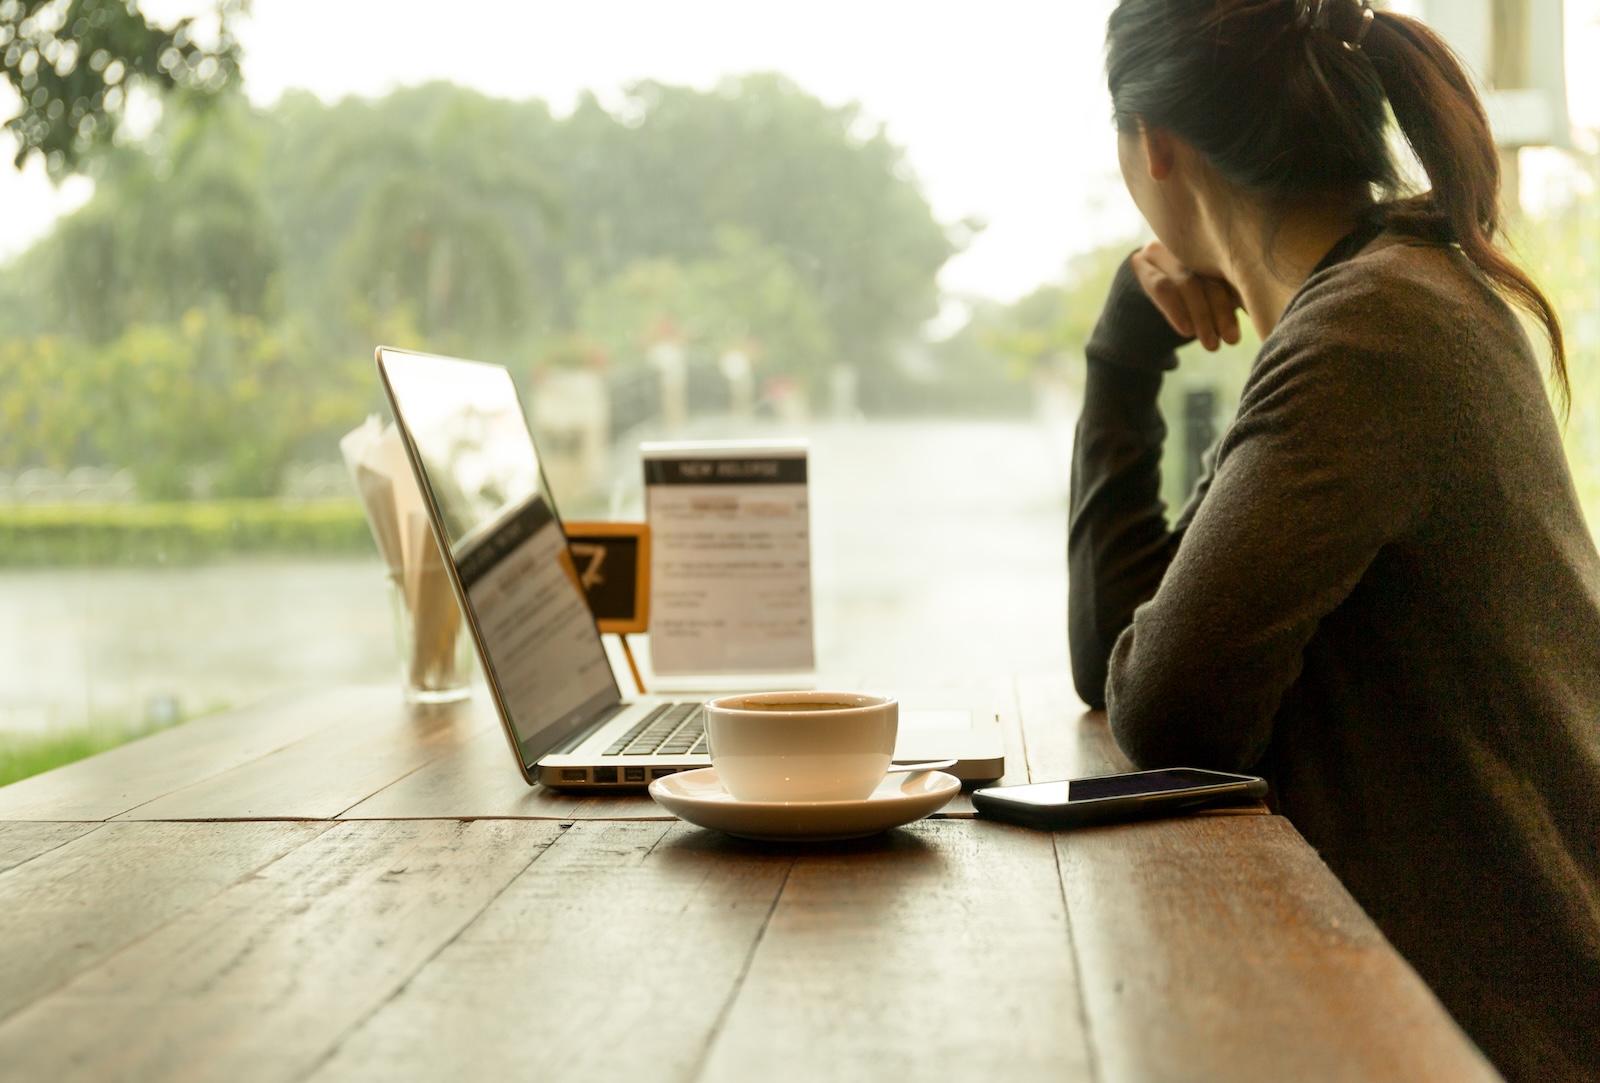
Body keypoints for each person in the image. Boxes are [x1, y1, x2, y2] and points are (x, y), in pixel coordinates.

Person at [1069, 1, 1600, 1078]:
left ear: (1152, 145)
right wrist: (1124, 354)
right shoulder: (1390, 292)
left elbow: (1169, 713)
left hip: (1509, 1035)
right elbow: (1119, 662)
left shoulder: (1369, 332)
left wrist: (1118, 371)